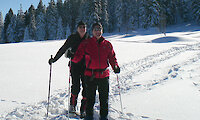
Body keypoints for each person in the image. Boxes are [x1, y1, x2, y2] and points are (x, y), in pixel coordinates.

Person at [72, 22, 120, 120]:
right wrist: (71, 56)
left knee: (104, 100)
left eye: (99, 29)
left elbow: (112, 57)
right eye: (95, 30)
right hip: (90, 75)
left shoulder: (107, 44)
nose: (98, 31)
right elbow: (77, 57)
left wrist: (115, 66)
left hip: (104, 75)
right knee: (90, 99)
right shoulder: (86, 43)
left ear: (102, 31)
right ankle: (89, 117)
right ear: (92, 31)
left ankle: (104, 117)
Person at [48, 21, 90, 118]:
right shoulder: (72, 38)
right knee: (75, 86)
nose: (82, 29)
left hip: (86, 66)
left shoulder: (89, 38)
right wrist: (54, 59)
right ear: (77, 28)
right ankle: (72, 106)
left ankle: (83, 109)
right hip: (74, 65)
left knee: (86, 87)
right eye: (80, 27)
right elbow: (63, 49)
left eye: (84, 27)